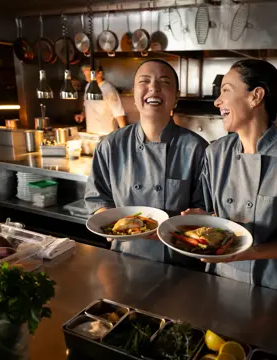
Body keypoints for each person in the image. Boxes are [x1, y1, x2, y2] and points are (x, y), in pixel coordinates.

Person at [182, 59, 277, 296]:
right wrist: (203, 216)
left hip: (276, 286)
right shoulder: (215, 153)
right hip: (223, 280)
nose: (218, 101)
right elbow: (213, 214)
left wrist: (249, 253)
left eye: (226, 90)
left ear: (255, 96)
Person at [84, 59, 208, 266]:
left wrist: (182, 223)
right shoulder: (111, 145)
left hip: (180, 262)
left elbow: (205, 208)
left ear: (176, 97)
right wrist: (109, 223)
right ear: (134, 94)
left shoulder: (197, 148)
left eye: (164, 82)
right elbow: (97, 198)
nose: (154, 88)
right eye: (145, 81)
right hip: (123, 257)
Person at [75, 65, 127, 133]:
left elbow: (119, 113)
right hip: (91, 134)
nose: (87, 79)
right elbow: (86, 105)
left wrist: (124, 134)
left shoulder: (109, 89)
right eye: (85, 75)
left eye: (89, 75)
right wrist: (82, 114)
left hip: (107, 135)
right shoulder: (88, 86)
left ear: (100, 73)